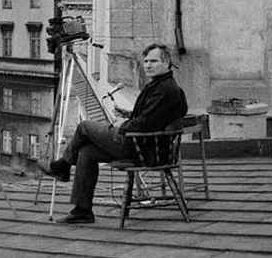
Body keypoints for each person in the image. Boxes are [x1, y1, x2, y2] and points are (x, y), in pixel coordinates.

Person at [40, 43, 188, 224]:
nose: (148, 65)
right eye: (146, 61)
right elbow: (151, 117)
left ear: (166, 63)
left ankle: (62, 166)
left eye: (154, 61)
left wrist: (123, 126)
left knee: (84, 127)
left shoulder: (165, 90)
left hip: (141, 148)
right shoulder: (162, 86)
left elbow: (144, 124)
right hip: (142, 145)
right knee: (86, 152)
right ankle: (82, 211)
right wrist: (128, 114)